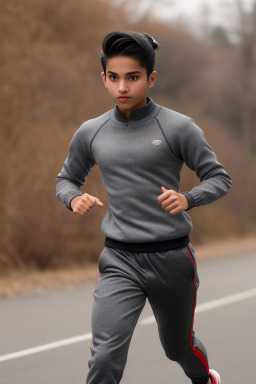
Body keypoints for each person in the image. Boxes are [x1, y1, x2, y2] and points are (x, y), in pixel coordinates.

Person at [56, 30, 231, 384]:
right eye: (114, 77)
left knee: (178, 348)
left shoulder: (179, 127)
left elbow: (219, 178)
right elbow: (65, 179)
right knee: (104, 357)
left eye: (133, 77)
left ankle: (205, 379)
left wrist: (188, 198)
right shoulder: (91, 131)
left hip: (172, 260)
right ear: (103, 78)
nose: (123, 87)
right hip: (119, 259)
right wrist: (73, 198)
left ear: (150, 78)